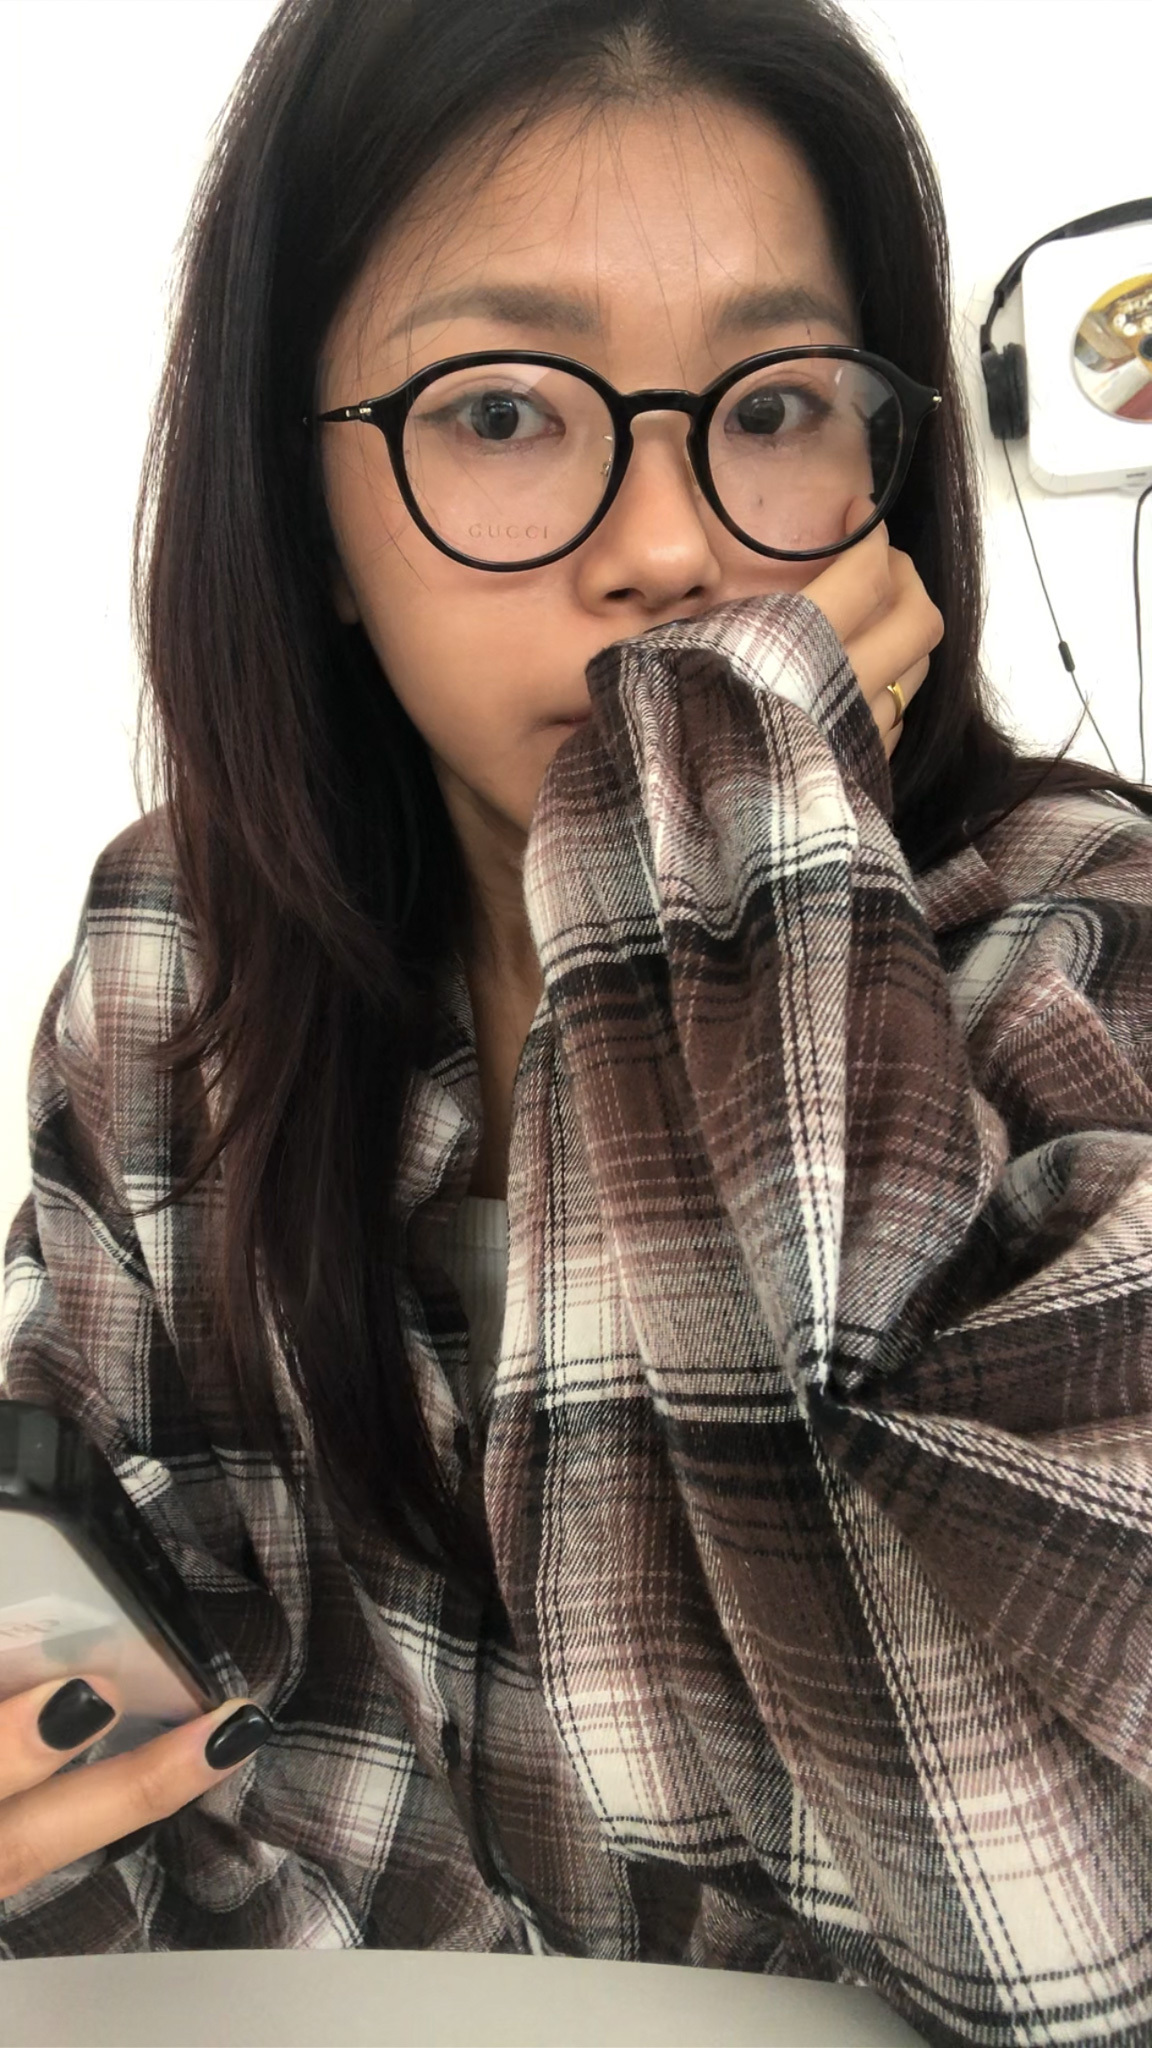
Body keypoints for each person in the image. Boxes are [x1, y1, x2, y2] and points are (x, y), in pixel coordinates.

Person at [1, 0, 1150, 2037]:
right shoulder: (180, 966)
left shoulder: (1080, 953)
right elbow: (126, 1716)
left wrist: (705, 840)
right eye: (506, 412)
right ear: (308, 512)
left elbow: (1064, 1926)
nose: (671, 545)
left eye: (775, 403)